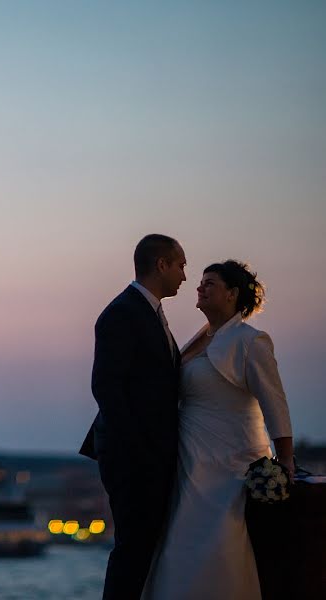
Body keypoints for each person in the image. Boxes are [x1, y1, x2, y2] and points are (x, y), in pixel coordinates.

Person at [141, 260, 293, 600]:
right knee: (178, 539)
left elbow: (275, 402)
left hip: (230, 461)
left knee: (216, 540)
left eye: (210, 283)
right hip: (189, 456)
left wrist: (285, 459)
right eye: (200, 282)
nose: (200, 287)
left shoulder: (251, 341)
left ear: (232, 294)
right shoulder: (199, 338)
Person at [79, 234, 186, 600]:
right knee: (133, 549)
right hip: (134, 458)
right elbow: (106, 388)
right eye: (181, 265)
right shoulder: (122, 314)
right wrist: (141, 453)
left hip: (146, 455)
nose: (185, 276)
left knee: (141, 548)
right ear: (162, 265)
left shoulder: (149, 313)